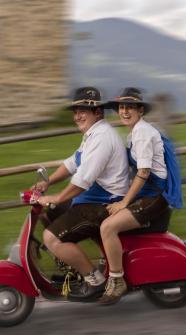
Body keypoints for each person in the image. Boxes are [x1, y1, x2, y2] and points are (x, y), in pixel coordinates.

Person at [36, 86, 130, 301]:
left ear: (98, 112)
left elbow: (83, 179)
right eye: (75, 111)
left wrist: (57, 197)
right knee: (47, 214)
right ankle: (75, 268)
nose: (77, 116)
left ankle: (94, 281)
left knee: (51, 237)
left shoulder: (102, 137)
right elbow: (72, 163)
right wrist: (47, 182)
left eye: (83, 111)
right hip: (91, 200)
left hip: (104, 204)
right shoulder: (92, 134)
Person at [98, 87, 183, 305]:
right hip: (147, 193)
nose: (124, 112)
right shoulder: (135, 132)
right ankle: (110, 265)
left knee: (108, 227)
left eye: (130, 108)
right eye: (122, 108)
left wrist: (124, 203)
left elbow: (144, 172)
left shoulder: (143, 133)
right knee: (101, 212)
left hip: (154, 197)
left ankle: (117, 281)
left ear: (140, 111)